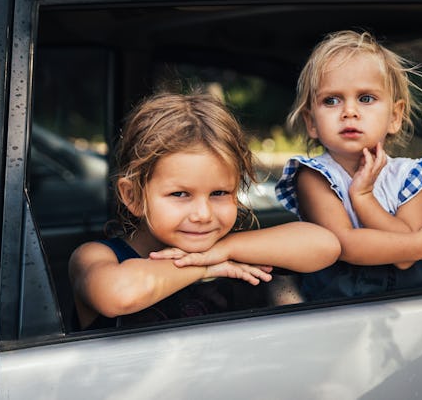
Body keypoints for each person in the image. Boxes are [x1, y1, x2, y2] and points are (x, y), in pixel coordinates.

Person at [69, 91, 341, 330]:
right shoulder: (97, 256)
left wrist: (223, 250)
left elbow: (325, 245)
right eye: (180, 194)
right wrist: (206, 266)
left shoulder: (230, 248)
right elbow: (120, 294)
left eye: (219, 193)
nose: (203, 214)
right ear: (133, 196)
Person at [275, 30, 422, 300]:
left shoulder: (412, 175)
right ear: (311, 122)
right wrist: (420, 245)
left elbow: (405, 258)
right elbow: (345, 245)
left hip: (408, 314)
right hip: (336, 314)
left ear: (395, 116)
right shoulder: (314, 177)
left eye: (366, 98)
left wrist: (365, 199)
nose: (349, 111)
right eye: (331, 100)